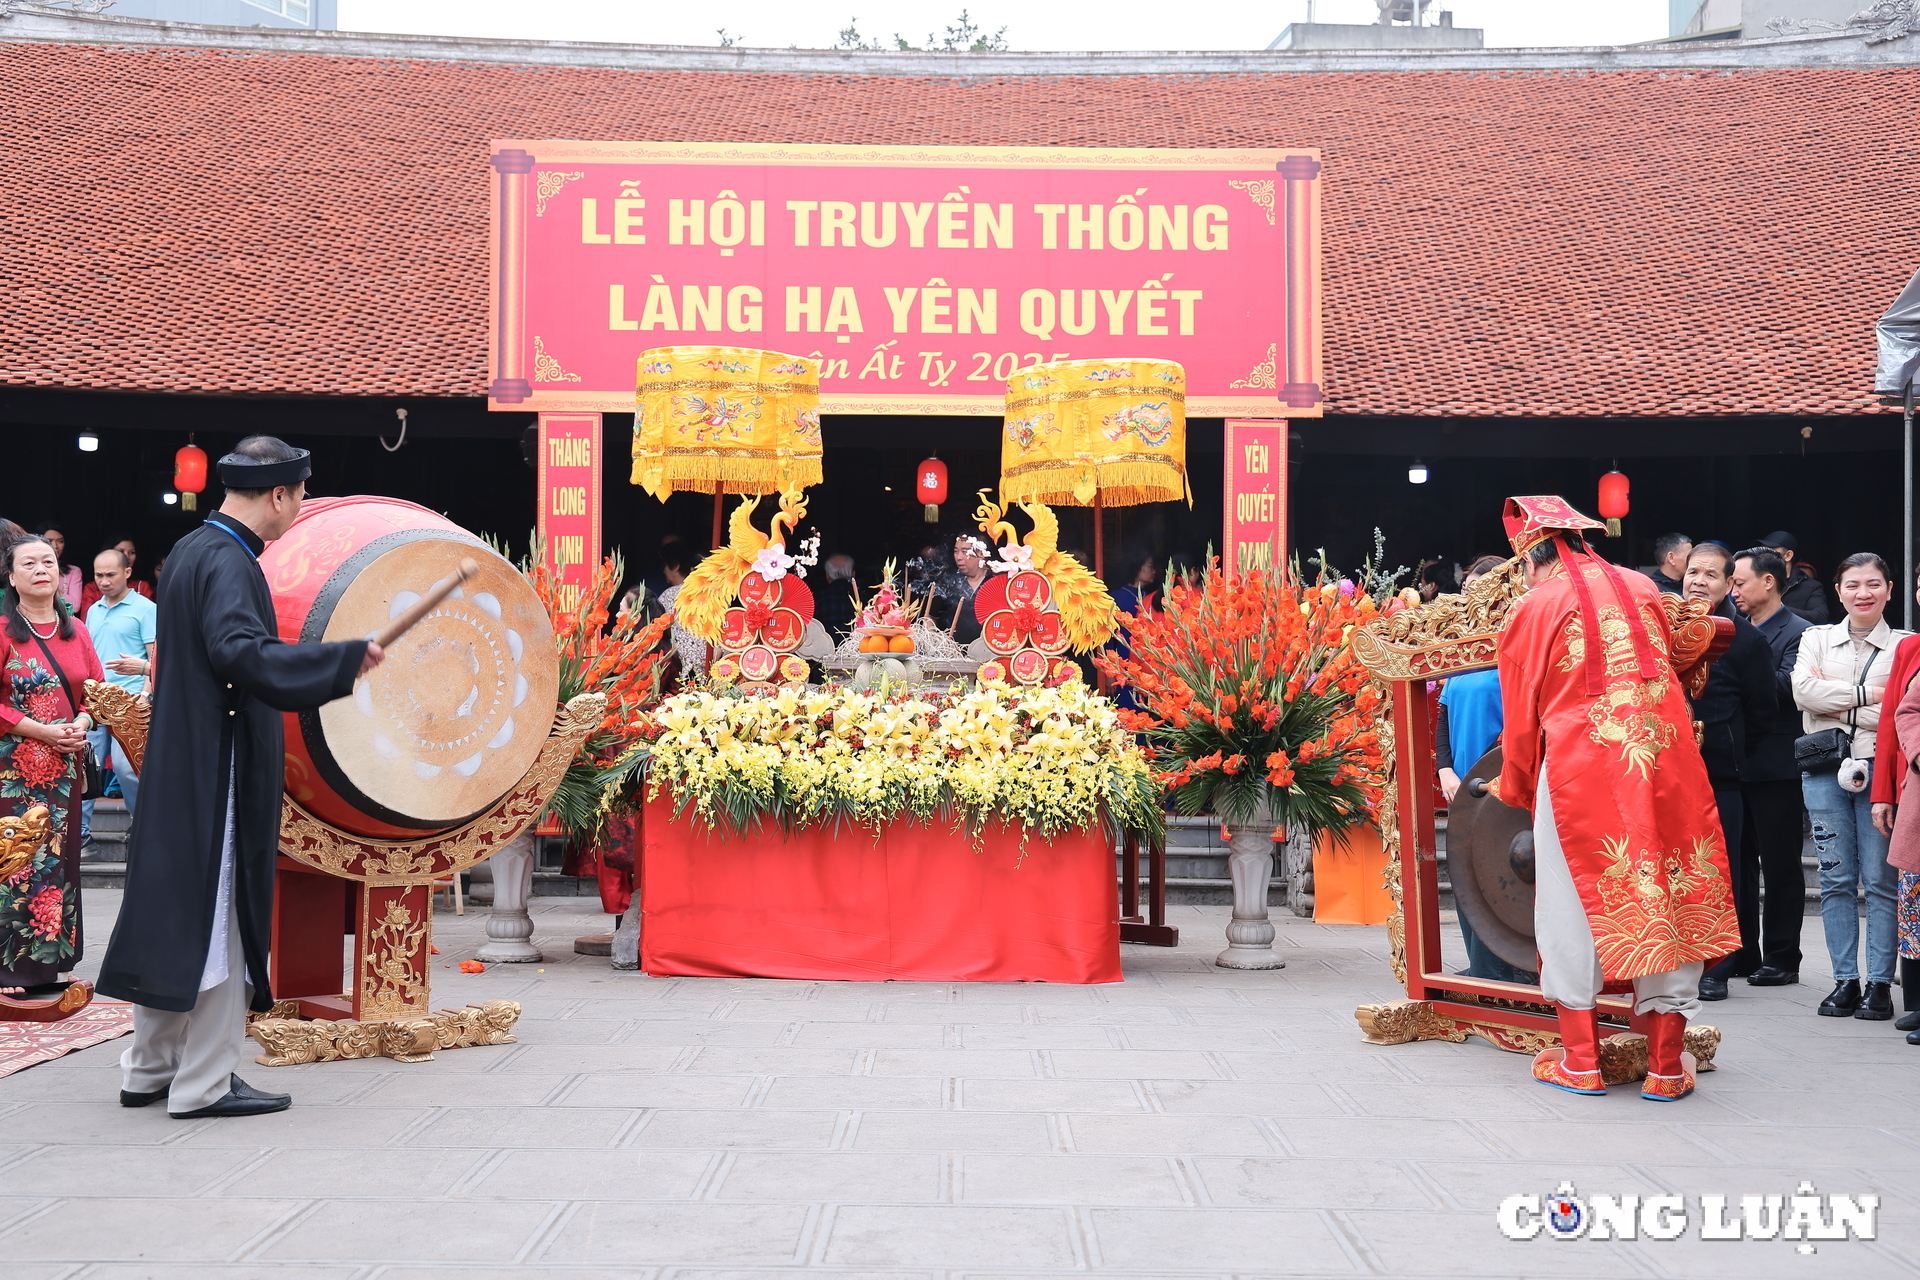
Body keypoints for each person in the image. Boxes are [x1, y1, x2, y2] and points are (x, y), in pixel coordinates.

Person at [97, 436, 381, 1119]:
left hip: (183, 760)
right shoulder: (229, 559)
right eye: (302, 492)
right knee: (218, 918)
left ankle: (149, 1069)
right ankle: (204, 1084)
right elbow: (239, 653)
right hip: (214, 766)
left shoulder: (195, 549)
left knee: (178, 914)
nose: (303, 504)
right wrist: (337, 662)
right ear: (279, 494)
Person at [1489, 496, 1737, 1102]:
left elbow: (1521, 712)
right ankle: (1666, 1066)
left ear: (1531, 559)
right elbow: (1689, 651)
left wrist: (1517, 781)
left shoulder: (1534, 604)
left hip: (1581, 768)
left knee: (1571, 901)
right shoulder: (1643, 586)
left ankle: (1581, 1060)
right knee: (1669, 884)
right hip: (1664, 762)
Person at [1791, 553, 1908, 1019]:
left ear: (1889, 590)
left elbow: (1904, 711)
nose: (1864, 593)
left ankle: (1879, 983)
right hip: (1824, 768)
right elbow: (1803, 692)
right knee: (1836, 879)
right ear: (1838, 590)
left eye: (1874, 584)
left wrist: (1835, 699)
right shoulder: (1815, 638)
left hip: (1881, 768)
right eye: (1854, 584)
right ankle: (1845, 980)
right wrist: (1875, 695)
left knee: (1881, 880)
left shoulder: (1906, 645)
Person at [0, 533, 106, 997]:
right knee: (18, 864)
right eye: (29, 563)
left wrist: (81, 722)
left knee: (60, 863)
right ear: (12, 577)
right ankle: (11, 969)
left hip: (63, 771)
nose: (41, 569)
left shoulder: (77, 630)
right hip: (14, 771)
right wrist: (40, 730)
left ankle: (49, 963)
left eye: (49, 562)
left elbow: (96, 691)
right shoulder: (3, 629)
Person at [1684, 544, 1779, 1000]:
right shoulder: (1660, 626)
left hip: (1721, 773)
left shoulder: (1745, 639)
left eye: (1710, 575)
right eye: (1692, 572)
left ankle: (1717, 967)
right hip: (1665, 771)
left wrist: (1733, 749)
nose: (1698, 581)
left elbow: (1762, 711)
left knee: (1722, 871)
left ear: (1728, 585)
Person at [1434, 554, 1531, 983]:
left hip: (1506, 785)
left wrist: (1490, 768)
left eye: (1481, 590)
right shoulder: (1461, 651)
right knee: (1466, 873)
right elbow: (1442, 718)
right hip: (1462, 786)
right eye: (1467, 590)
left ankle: (1515, 970)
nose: (1471, 598)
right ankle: (1481, 965)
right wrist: (1445, 769)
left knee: (1505, 871)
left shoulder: (1520, 644)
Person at [1729, 546, 1813, 989]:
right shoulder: (1733, 629)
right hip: (1734, 761)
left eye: (1740, 582)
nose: (1734, 590)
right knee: (1737, 864)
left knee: (1780, 864)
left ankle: (1783, 956)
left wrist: (1736, 674)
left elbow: (1785, 689)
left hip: (1777, 763)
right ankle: (1742, 951)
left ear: (1769, 581)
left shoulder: (1800, 632)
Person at [79, 548, 156, 856]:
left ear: (127, 573)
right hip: (94, 700)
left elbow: (156, 655)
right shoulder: (94, 610)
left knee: (127, 770)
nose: (104, 581)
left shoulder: (146, 608)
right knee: (85, 769)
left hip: (130, 703)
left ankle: (141, 824)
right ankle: (82, 836)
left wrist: (146, 693)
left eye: (111, 574)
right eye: (98, 575)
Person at [1871, 568, 1920, 1037]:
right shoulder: (1910, 647)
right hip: (1916, 791)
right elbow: (1893, 719)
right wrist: (1883, 793)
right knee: (1914, 899)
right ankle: (1917, 1000)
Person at [655, 542, 706, 678]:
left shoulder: (670, 595)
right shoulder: (712, 595)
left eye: (666, 565)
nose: (664, 570)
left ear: (676, 566)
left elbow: (656, 629)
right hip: (707, 668)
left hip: (678, 669)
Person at [1757, 530, 1831, 625]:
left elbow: (1820, 617)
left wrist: (1781, 609)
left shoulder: (1811, 586)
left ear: (1788, 555)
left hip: (1793, 638)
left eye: (1771, 552)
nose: (1763, 557)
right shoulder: (1756, 581)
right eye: (1761, 553)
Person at [932, 534, 992, 645]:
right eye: (956, 551)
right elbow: (931, 618)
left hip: (987, 653)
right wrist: (932, 644)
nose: (959, 557)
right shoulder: (948, 582)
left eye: (965, 552)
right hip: (952, 654)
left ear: (982, 554)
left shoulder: (994, 582)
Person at [77, 537, 155, 618]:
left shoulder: (142, 589)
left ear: (128, 572)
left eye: (132, 552)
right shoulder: (93, 607)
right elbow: (86, 624)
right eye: (120, 551)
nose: (126, 556)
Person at [36, 524, 84, 611]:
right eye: (49, 541)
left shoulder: (74, 571)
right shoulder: (31, 569)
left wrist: (51, 589)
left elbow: (75, 607)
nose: (55, 546)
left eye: (60, 541)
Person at [814, 553, 859, 642]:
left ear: (827, 575)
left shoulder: (817, 599)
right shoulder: (862, 598)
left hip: (825, 652)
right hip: (859, 651)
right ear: (853, 574)